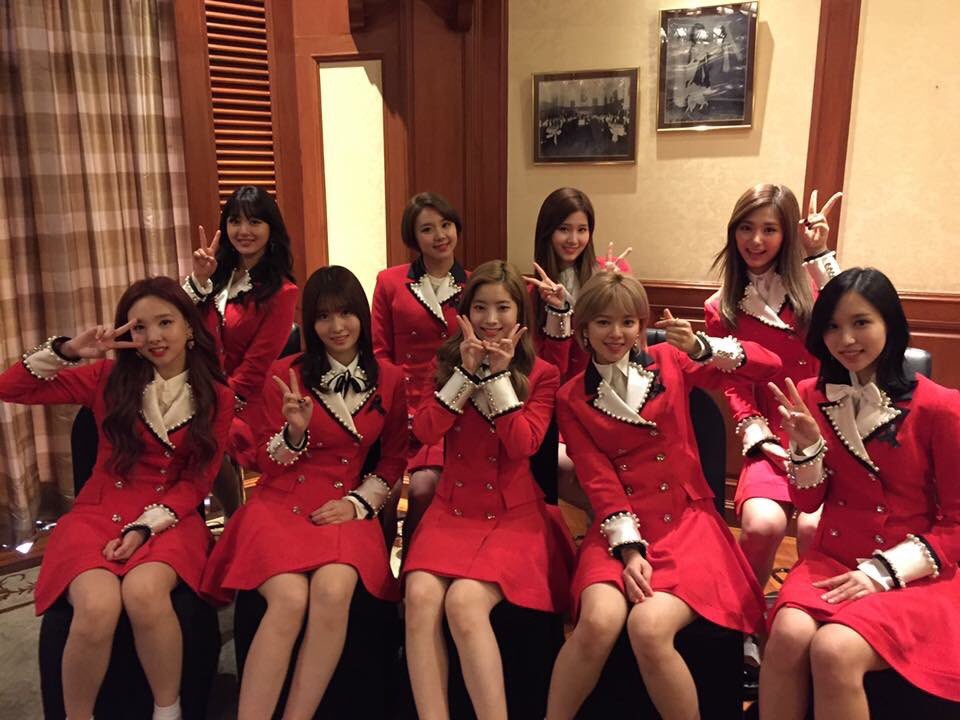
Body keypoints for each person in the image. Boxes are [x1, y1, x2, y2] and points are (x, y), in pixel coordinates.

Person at [547, 271, 781, 720]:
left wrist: (701, 347)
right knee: (596, 622)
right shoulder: (571, 396)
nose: (617, 333)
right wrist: (629, 549)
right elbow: (598, 479)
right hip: (618, 527)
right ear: (583, 329)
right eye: (603, 322)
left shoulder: (670, 359)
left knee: (648, 627)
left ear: (641, 324)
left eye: (628, 322)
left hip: (687, 522)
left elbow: (767, 364)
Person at [0, 277, 233, 720]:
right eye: (139, 327)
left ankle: (168, 711)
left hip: (170, 516)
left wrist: (146, 526)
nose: (153, 336)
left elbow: (197, 481)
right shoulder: (107, 377)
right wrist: (70, 350)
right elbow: (10, 388)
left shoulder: (217, 395)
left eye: (165, 322)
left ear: (189, 326)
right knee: (97, 605)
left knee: (145, 593)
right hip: (97, 511)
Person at [200, 266, 407, 720]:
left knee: (334, 590)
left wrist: (357, 504)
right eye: (323, 316)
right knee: (289, 599)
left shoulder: (391, 379)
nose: (337, 327)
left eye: (346, 313)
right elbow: (263, 462)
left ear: (362, 316)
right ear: (310, 323)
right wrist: (294, 433)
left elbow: (393, 459)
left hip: (343, 506)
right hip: (280, 503)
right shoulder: (285, 374)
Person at [761, 267, 960, 719]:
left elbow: (956, 525)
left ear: (891, 324)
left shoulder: (941, 406)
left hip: (912, 572)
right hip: (832, 559)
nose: (846, 339)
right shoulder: (810, 396)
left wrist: (882, 573)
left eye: (861, 322)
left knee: (834, 649)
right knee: (786, 635)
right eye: (832, 326)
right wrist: (806, 447)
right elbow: (808, 503)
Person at [402, 260, 573, 720]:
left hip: (511, 516)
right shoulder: (444, 363)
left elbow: (524, 445)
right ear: (465, 311)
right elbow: (425, 431)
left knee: (463, 603)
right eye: (480, 307)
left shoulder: (541, 372)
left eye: (503, 307)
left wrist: (496, 378)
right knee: (419, 598)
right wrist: (465, 372)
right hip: (451, 509)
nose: (491, 319)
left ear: (520, 314)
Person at [705, 185, 842, 596]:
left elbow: (851, 308)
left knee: (815, 530)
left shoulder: (813, 289)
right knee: (762, 526)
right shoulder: (720, 307)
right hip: (770, 436)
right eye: (746, 228)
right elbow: (735, 385)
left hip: (830, 433)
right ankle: (742, 618)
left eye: (769, 229)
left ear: (786, 235)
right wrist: (759, 437)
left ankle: (810, 609)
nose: (756, 240)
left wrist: (819, 253)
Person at [184, 185, 298, 512]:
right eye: (235, 221)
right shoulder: (216, 276)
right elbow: (178, 322)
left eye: (254, 222)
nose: (243, 231)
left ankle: (234, 516)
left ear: (271, 229)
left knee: (202, 435)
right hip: (200, 388)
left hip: (246, 402)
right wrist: (199, 280)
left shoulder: (282, 292)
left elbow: (255, 368)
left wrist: (212, 402)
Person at [371, 192, 468, 549]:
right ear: (413, 236)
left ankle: (415, 561)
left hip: (448, 409)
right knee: (381, 490)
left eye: (446, 225)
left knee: (425, 489)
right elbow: (379, 351)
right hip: (396, 407)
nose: (440, 235)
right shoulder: (390, 281)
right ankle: (377, 567)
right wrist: (395, 407)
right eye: (427, 229)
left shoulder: (474, 285)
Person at [524, 187, 631, 512]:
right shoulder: (533, 292)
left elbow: (627, 346)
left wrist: (612, 293)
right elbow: (552, 371)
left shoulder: (611, 273)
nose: (574, 239)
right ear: (547, 232)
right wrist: (557, 313)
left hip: (610, 396)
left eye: (582, 229)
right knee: (569, 469)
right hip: (561, 407)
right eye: (564, 229)